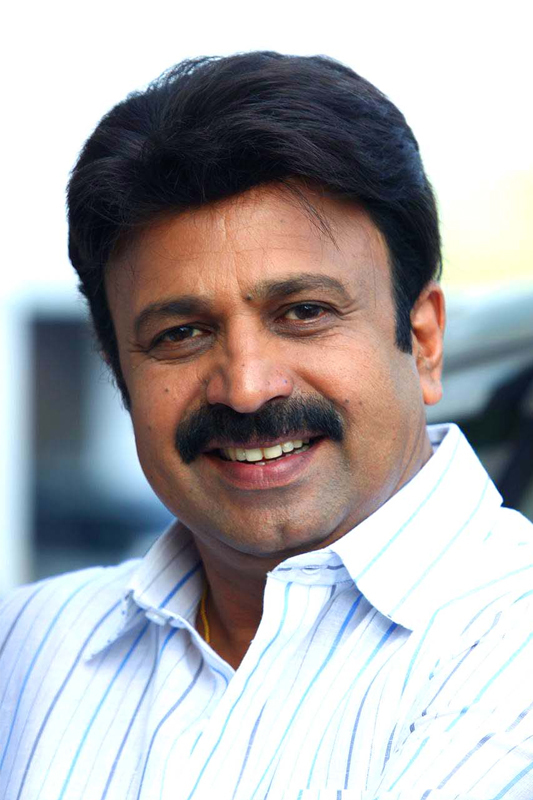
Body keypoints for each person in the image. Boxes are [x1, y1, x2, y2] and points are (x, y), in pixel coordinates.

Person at [1, 52, 532, 800]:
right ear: (121, 372)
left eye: (304, 312)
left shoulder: (510, 644)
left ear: (423, 341)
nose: (247, 389)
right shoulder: (25, 651)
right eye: (181, 333)